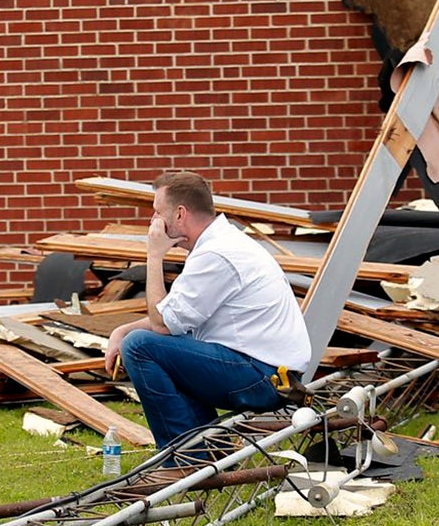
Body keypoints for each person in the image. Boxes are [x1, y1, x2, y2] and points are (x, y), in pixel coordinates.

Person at [103, 170, 313, 449]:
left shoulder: (215, 255)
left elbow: (162, 325)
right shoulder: (220, 244)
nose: (153, 222)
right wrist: (122, 329)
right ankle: (209, 450)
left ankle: (182, 460)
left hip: (263, 376)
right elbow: (175, 317)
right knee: (157, 344)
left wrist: (154, 256)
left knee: (140, 347)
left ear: (179, 214)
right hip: (267, 371)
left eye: (157, 212)